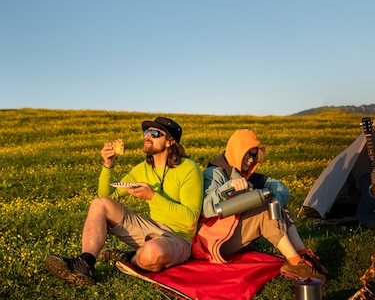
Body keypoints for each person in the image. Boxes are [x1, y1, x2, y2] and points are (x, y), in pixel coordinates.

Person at [45, 116, 203, 286]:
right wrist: (108, 165)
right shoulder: (143, 169)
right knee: (100, 204)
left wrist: (153, 197)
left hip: (178, 238)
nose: (147, 136)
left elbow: (190, 218)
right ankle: (85, 263)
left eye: (155, 133)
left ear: (170, 142)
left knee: (152, 252)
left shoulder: (188, 169)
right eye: (146, 132)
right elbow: (108, 196)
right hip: (150, 228)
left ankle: (128, 258)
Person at [192, 129, 327, 281]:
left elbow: (280, 186)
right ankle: (294, 263)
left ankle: (301, 253)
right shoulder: (215, 173)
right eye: (247, 154)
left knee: (276, 202)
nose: (250, 160)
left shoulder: (249, 176)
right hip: (214, 241)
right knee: (265, 210)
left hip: (231, 231)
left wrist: (277, 200)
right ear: (237, 150)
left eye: (254, 155)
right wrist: (229, 187)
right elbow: (205, 208)